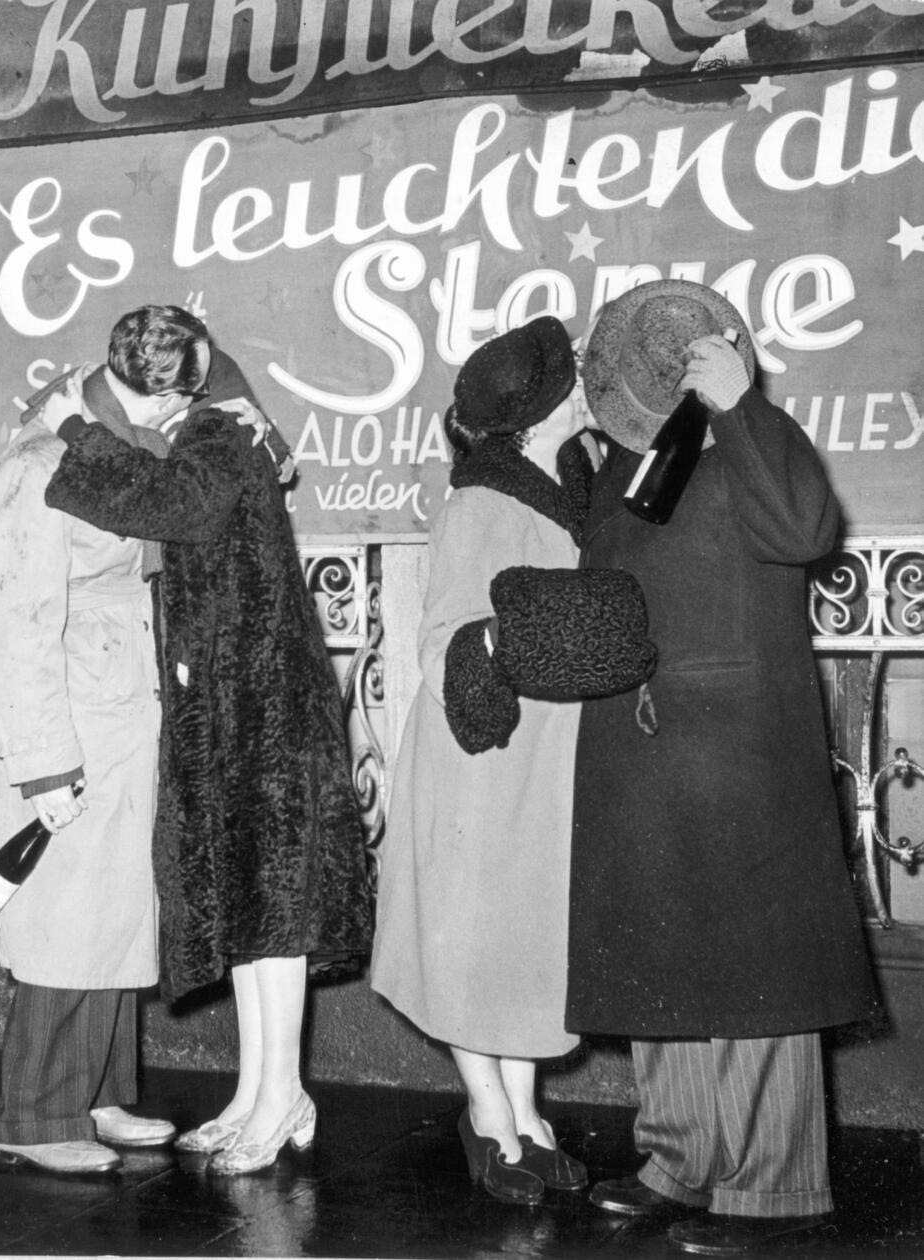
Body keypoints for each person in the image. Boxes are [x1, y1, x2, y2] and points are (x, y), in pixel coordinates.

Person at [569, 280, 875, 1256]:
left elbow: (801, 533)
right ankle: (677, 1160)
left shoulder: (762, 435)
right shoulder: (633, 462)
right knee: (663, 969)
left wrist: (741, 405)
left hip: (739, 755)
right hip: (645, 757)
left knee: (756, 983)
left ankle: (769, 1195)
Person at [35, 307, 375, 1175]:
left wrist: (69, 427)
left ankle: (282, 1094)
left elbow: (173, 508)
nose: (123, 413)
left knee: (277, 920)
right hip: (238, 703)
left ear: (165, 388)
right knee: (260, 923)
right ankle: (266, 1092)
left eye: (124, 396)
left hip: (267, 708)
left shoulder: (218, 433)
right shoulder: (216, 429)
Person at [368, 317, 655, 1204]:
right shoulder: (482, 501)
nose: (589, 389)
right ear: (541, 413)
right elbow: (449, 638)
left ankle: (528, 1116)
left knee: (523, 943)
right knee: (476, 938)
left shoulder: (575, 480)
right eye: (575, 379)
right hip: (482, 758)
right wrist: (507, 644)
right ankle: (489, 1114)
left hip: (541, 755)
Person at [0, 308, 223, 1176]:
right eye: (181, 393)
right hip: (68, 723)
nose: (184, 410)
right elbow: (12, 621)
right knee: (65, 924)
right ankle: (35, 1117)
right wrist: (43, 761)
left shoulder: (123, 453)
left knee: (114, 916)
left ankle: (100, 1095)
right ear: (141, 385)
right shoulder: (41, 467)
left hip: (119, 713)